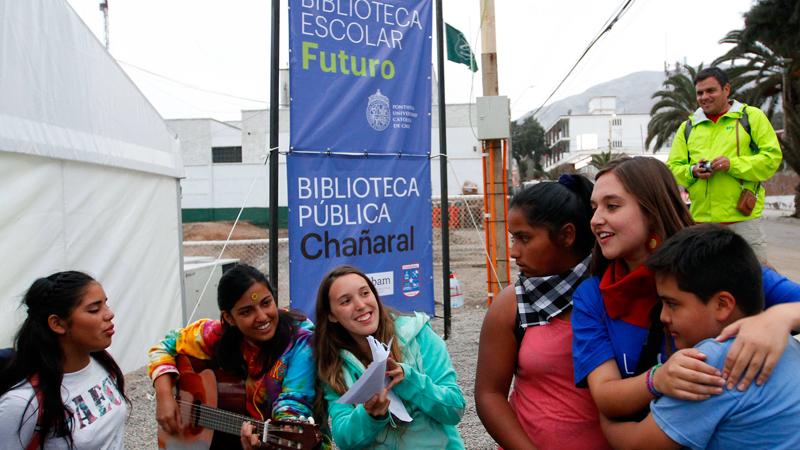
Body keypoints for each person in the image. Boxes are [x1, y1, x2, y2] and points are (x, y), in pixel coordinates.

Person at [572, 156, 800, 422]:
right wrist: (658, 379)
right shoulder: (592, 296)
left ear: (652, 209)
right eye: (594, 208)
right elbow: (606, 396)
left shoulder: (717, 259)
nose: (596, 220)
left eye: (612, 206)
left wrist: (777, 318)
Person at [600, 224, 800, 450]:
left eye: (672, 304)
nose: (663, 316)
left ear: (722, 305)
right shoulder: (785, 343)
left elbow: (637, 444)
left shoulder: (712, 363)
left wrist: (604, 416)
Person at [475, 175, 611, 449]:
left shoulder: (610, 292)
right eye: (514, 239)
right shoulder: (511, 306)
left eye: (524, 238)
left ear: (567, 235)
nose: (513, 252)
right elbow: (489, 395)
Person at [149, 264, 316, 447]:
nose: (262, 317)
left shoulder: (301, 341)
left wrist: (271, 440)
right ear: (229, 318)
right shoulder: (217, 333)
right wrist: (164, 396)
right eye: (246, 311)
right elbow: (163, 347)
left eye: (266, 303)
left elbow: (294, 401)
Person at [313, 265, 465, 449]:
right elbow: (344, 440)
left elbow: (455, 409)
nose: (361, 305)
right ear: (331, 315)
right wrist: (369, 415)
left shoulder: (419, 335)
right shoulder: (333, 364)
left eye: (365, 293)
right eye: (346, 301)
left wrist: (409, 379)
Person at [0, 271, 129, 449]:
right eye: (94, 309)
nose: (109, 314)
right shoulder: (22, 402)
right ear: (58, 324)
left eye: (105, 304)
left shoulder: (104, 360)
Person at [666, 66, 782, 263]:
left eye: (711, 90)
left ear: (726, 89)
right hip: (701, 222)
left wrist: (732, 164)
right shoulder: (687, 127)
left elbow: (771, 158)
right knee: (705, 284)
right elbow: (672, 168)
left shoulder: (751, 117)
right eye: (700, 93)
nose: (704, 97)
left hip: (743, 221)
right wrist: (693, 171)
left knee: (756, 281)